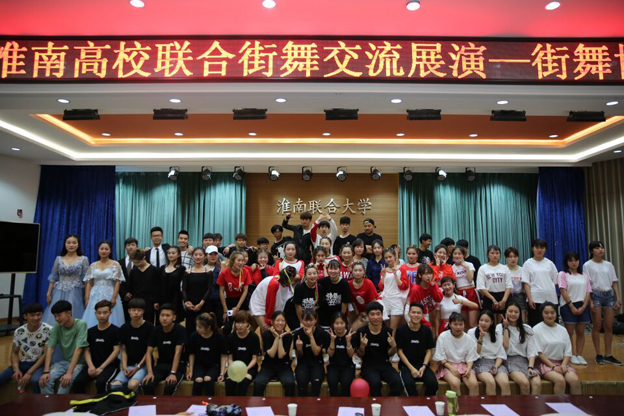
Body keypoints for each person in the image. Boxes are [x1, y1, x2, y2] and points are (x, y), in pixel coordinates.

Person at [351, 301, 402, 397]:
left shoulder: (389, 332)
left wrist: (394, 346)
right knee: (375, 383)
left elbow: (390, 354)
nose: (376, 317)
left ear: (382, 315)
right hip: (368, 365)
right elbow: (359, 355)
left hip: (385, 364)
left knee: (397, 382)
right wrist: (362, 347)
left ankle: (390, 404)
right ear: (367, 316)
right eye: (372, 314)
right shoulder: (361, 332)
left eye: (378, 314)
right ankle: (377, 405)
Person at [584, 240, 622, 365]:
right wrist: (590, 301)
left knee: (609, 326)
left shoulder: (609, 265)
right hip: (595, 295)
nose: (601, 250)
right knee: (597, 325)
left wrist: (618, 298)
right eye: (597, 248)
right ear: (592, 251)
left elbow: (614, 283)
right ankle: (598, 354)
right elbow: (587, 284)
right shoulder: (587, 265)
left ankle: (608, 354)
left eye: (602, 247)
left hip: (609, 295)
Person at [39, 300, 88, 394]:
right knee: (45, 382)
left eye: (59, 315)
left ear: (69, 313)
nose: (57, 319)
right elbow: (50, 348)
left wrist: (69, 373)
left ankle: (60, 404)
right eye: (55, 316)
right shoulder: (57, 327)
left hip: (78, 364)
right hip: (64, 362)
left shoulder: (81, 324)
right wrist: (46, 371)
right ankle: (48, 403)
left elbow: (78, 349)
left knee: (65, 384)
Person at [0, 303, 51, 393]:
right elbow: (14, 353)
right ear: (25, 316)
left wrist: (29, 373)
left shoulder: (48, 330)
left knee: (35, 381)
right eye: (32, 315)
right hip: (24, 363)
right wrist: (16, 370)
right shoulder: (19, 331)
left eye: (38, 314)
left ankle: (37, 401)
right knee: (2, 377)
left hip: (40, 365)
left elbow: (46, 355)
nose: (36, 318)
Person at [73, 300, 121, 394]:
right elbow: (86, 350)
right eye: (99, 313)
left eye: (105, 313)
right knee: (78, 382)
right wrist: (91, 366)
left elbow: (116, 351)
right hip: (93, 364)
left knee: (101, 382)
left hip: (110, 365)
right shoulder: (90, 331)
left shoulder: (116, 331)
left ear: (110, 313)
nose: (102, 315)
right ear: (95, 314)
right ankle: (82, 402)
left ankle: (102, 403)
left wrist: (102, 368)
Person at [533, 302, 581, 394]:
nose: (550, 315)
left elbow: (567, 351)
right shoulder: (536, 329)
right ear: (542, 314)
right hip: (545, 363)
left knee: (574, 380)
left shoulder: (563, 330)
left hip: (562, 363)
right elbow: (539, 353)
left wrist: (564, 364)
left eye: (552, 312)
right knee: (560, 380)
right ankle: (557, 403)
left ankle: (577, 403)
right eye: (546, 313)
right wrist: (553, 366)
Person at [43, 234, 89, 325]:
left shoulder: (83, 259)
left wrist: (87, 296)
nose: (71, 245)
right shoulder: (59, 259)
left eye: (74, 243)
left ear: (78, 244)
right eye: (68, 242)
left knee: (73, 313)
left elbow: (87, 280)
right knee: (57, 312)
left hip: (75, 291)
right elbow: (53, 277)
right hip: (59, 290)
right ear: (65, 244)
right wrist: (48, 293)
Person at [109, 298, 154, 392]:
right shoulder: (124, 328)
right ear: (129, 311)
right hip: (129, 365)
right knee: (114, 385)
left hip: (143, 365)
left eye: (139, 310)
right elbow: (124, 350)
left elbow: (148, 352)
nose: (136, 313)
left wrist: (137, 367)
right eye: (133, 310)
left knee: (132, 384)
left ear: (143, 311)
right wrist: (124, 367)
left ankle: (133, 400)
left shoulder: (149, 327)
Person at [498, 302, 541, 395]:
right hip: (509, 360)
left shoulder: (527, 328)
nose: (513, 314)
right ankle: (523, 405)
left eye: (516, 312)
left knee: (537, 383)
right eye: (510, 311)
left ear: (520, 314)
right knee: (524, 383)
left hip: (526, 362)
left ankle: (533, 404)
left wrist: (530, 367)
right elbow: (505, 346)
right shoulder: (499, 327)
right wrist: (506, 328)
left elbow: (531, 350)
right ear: (505, 312)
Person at [142, 304, 186, 395]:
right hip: (161, 364)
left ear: (174, 318)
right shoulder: (156, 330)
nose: (164, 318)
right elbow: (148, 352)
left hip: (177, 366)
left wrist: (173, 373)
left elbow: (178, 353)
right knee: (147, 384)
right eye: (162, 315)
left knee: (170, 385)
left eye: (167, 315)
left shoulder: (180, 330)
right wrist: (150, 372)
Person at [396, 303, 438, 396]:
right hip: (406, 366)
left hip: (422, 365)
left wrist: (424, 366)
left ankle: (427, 403)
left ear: (422, 315)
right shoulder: (401, 330)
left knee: (433, 384)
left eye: (419, 313)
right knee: (409, 384)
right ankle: (415, 404)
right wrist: (411, 368)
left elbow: (429, 351)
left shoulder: (427, 330)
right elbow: (399, 351)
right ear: (409, 314)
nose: (416, 315)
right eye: (413, 312)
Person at [433, 312, 479, 396]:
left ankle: (473, 404)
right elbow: (441, 357)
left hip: (464, 365)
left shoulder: (468, 338)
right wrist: (452, 369)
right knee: (455, 383)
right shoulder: (443, 336)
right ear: (450, 324)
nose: (458, 327)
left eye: (461, 324)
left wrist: (468, 368)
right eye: (455, 324)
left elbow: (470, 357)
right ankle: (457, 404)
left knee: (474, 384)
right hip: (447, 365)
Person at [558, 251, 592, 365]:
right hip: (568, 305)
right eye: (571, 260)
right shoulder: (563, 274)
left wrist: (584, 306)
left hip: (582, 305)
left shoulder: (584, 275)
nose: (574, 263)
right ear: (566, 262)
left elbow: (588, 292)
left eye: (576, 260)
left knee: (581, 332)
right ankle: (571, 354)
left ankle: (579, 354)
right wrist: (571, 306)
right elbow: (563, 290)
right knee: (569, 332)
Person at [83, 240, 125, 328]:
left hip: (110, 293)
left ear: (110, 251)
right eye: (101, 249)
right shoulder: (93, 265)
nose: (104, 251)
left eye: (106, 249)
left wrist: (114, 297)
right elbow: (89, 282)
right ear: (98, 250)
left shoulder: (115, 264)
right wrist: (87, 298)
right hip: (95, 294)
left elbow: (118, 282)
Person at [468, 309, 510, 395]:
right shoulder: (471, 332)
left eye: (486, 321)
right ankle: (490, 404)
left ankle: (505, 403)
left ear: (492, 322)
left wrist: (495, 367)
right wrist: (481, 338)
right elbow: (475, 354)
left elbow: (501, 354)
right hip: (480, 362)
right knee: (490, 382)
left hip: (496, 363)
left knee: (505, 383)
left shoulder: (497, 334)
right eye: (481, 320)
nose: (483, 323)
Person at [253, 311, 295, 397]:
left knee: (290, 383)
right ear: (272, 322)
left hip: (284, 366)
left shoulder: (288, 336)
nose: (280, 323)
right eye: (277, 320)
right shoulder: (266, 335)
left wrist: (280, 337)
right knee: (258, 383)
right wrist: (276, 337)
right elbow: (271, 354)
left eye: (282, 320)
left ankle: (289, 404)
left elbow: (281, 355)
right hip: (268, 366)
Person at [187, 312, 228, 396]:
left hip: (214, 365)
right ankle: (195, 402)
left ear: (208, 327)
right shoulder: (194, 336)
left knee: (208, 379)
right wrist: (190, 371)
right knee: (198, 380)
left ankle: (210, 401)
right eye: (196, 326)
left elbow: (223, 356)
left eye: (200, 327)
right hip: (199, 365)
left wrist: (222, 373)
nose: (197, 329)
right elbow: (191, 354)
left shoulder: (219, 337)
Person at [522, 239, 558, 326]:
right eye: (537, 247)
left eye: (542, 248)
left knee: (552, 325)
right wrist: (529, 298)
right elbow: (526, 283)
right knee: (535, 325)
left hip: (551, 298)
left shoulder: (550, 263)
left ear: (545, 249)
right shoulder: (528, 263)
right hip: (535, 299)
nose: (539, 250)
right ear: (532, 248)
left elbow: (555, 281)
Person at [250, 266, 297, 332]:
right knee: (267, 330)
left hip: (271, 305)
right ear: (291, 278)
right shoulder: (274, 284)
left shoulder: (285, 282)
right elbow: (270, 303)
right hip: (260, 305)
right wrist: (269, 320)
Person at [225, 311, 261, 396]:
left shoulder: (254, 337)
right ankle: (230, 403)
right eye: (238, 322)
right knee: (229, 381)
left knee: (244, 381)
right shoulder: (231, 337)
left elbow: (254, 359)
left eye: (243, 323)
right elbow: (230, 358)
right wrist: (234, 369)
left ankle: (241, 403)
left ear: (248, 323)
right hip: (234, 368)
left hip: (249, 368)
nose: (240, 325)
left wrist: (244, 370)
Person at [293, 309, 328, 396]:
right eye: (306, 320)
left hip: (317, 363)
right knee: (301, 384)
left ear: (315, 320)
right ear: (302, 320)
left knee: (316, 383)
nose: (308, 323)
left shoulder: (321, 332)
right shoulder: (298, 334)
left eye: (311, 320)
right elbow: (299, 355)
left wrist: (311, 336)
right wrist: (299, 349)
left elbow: (316, 353)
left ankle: (313, 404)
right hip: (302, 363)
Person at [183, 247, 215, 335]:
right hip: (191, 304)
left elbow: (209, 289)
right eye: (196, 255)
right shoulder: (187, 272)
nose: (198, 257)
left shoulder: (208, 272)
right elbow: (184, 289)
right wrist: (186, 302)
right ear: (192, 256)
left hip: (204, 304)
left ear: (204, 256)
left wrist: (201, 304)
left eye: (200, 255)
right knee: (190, 328)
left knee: (204, 327)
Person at [477, 245, 512, 321]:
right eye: (492, 253)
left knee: (503, 320)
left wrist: (504, 300)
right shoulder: (483, 268)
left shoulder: (505, 268)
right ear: (488, 255)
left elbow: (509, 285)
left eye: (497, 253)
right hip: (489, 296)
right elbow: (481, 287)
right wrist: (493, 299)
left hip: (503, 296)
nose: (495, 255)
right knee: (490, 320)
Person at [378, 248, 410, 332]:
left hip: (396, 300)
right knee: (387, 328)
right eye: (386, 258)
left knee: (393, 329)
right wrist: (383, 275)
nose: (388, 259)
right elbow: (381, 287)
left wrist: (395, 274)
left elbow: (403, 286)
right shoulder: (384, 270)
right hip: (386, 300)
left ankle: (393, 341)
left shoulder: (401, 269)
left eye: (390, 257)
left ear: (394, 257)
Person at [125, 249, 159, 325]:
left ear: (144, 258)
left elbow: (157, 287)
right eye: (134, 262)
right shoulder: (134, 271)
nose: (136, 264)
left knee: (148, 321)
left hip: (149, 300)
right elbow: (130, 286)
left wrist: (156, 301)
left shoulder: (154, 270)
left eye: (138, 262)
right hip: (136, 299)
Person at [217, 252, 252, 327]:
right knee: (227, 325)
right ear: (232, 261)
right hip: (228, 301)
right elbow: (221, 292)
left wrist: (237, 308)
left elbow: (245, 291)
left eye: (242, 261)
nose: (241, 263)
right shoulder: (224, 273)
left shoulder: (245, 272)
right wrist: (225, 310)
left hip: (241, 301)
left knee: (241, 323)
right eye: (239, 260)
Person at [408, 264, 443, 336]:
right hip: (415, 311)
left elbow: (439, 299)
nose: (429, 276)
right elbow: (414, 309)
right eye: (426, 274)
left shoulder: (433, 284)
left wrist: (433, 287)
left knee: (433, 328)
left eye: (430, 273)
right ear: (420, 275)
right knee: (425, 330)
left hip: (428, 310)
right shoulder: (415, 289)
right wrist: (427, 324)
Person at [326, 312, 356, 396]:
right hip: (333, 366)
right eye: (336, 323)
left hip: (347, 366)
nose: (339, 326)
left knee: (346, 383)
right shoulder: (329, 335)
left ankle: (345, 403)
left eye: (342, 323)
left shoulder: (351, 335)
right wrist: (332, 341)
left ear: (346, 323)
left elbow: (351, 355)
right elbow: (330, 354)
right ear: (333, 324)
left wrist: (348, 342)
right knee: (332, 382)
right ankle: (334, 403)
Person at [451, 246, 479, 329]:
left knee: (472, 323)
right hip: (459, 293)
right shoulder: (451, 267)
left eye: (459, 254)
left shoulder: (469, 264)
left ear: (463, 255)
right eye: (455, 253)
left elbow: (470, 279)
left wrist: (466, 267)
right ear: (452, 255)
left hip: (471, 291)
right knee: (464, 322)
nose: (457, 255)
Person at [319, 260, 351, 327]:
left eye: (335, 269)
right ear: (327, 269)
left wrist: (341, 317)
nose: (333, 271)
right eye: (331, 269)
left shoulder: (344, 283)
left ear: (340, 270)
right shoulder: (322, 281)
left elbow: (345, 302)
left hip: (338, 314)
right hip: (324, 315)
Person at [349, 262, 379, 331]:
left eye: (360, 270)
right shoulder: (349, 284)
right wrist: (358, 314)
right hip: (360, 312)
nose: (358, 273)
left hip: (372, 310)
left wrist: (366, 313)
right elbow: (353, 302)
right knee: (352, 330)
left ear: (364, 272)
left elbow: (373, 302)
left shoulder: (369, 283)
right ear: (352, 272)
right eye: (355, 270)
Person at [159, 246, 186, 320]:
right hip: (162, 297)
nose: (170, 255)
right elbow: (158, 284)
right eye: (169, 253)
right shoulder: (162, 268)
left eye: (173, 253)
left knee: (174, 318)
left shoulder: (182, 268)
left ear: (178, 255)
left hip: (175, 297)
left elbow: (184, 284)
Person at [119, 237, 139, 323]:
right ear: (125, 247)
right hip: (123, 298)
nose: (130, 247)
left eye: (133, 245)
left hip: (137, 297)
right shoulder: (119, 263)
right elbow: (118, 281)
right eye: (128, 245)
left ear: (137, 247)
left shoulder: (141, 262)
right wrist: (124, 293)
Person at [505, 247, 526, 322]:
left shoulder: (522, 270)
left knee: (522, 318)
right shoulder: (503, 269)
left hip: (519, 296)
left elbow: (526, 285)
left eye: (515, 256)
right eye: (510, 257)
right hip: (506, 296)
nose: (513, 259)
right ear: (506, 258)